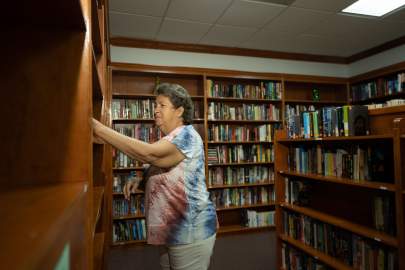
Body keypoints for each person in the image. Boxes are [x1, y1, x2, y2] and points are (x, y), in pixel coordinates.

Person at [92, 83, 217, 270]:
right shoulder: (170, 138)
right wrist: (140, 181)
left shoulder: (187, 136)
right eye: (155, 105)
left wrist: (98, 129)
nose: (155, 110)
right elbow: (165, 171)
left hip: (190, 231)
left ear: (179, 111)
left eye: (162, 105)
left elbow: (150, 155)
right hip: (173, 230)